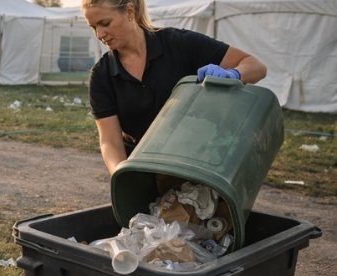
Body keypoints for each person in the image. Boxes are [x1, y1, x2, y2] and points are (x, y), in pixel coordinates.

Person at [83, 0, 266, 175]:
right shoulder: (101, 76)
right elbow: (110, 142)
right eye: (93, 27)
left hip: (196, 161)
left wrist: (234, 75)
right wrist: (121, 175)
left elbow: (256, 66)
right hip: (142, 167)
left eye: (105, 23)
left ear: (130, 12)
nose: (99, 34)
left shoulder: (179, 44)